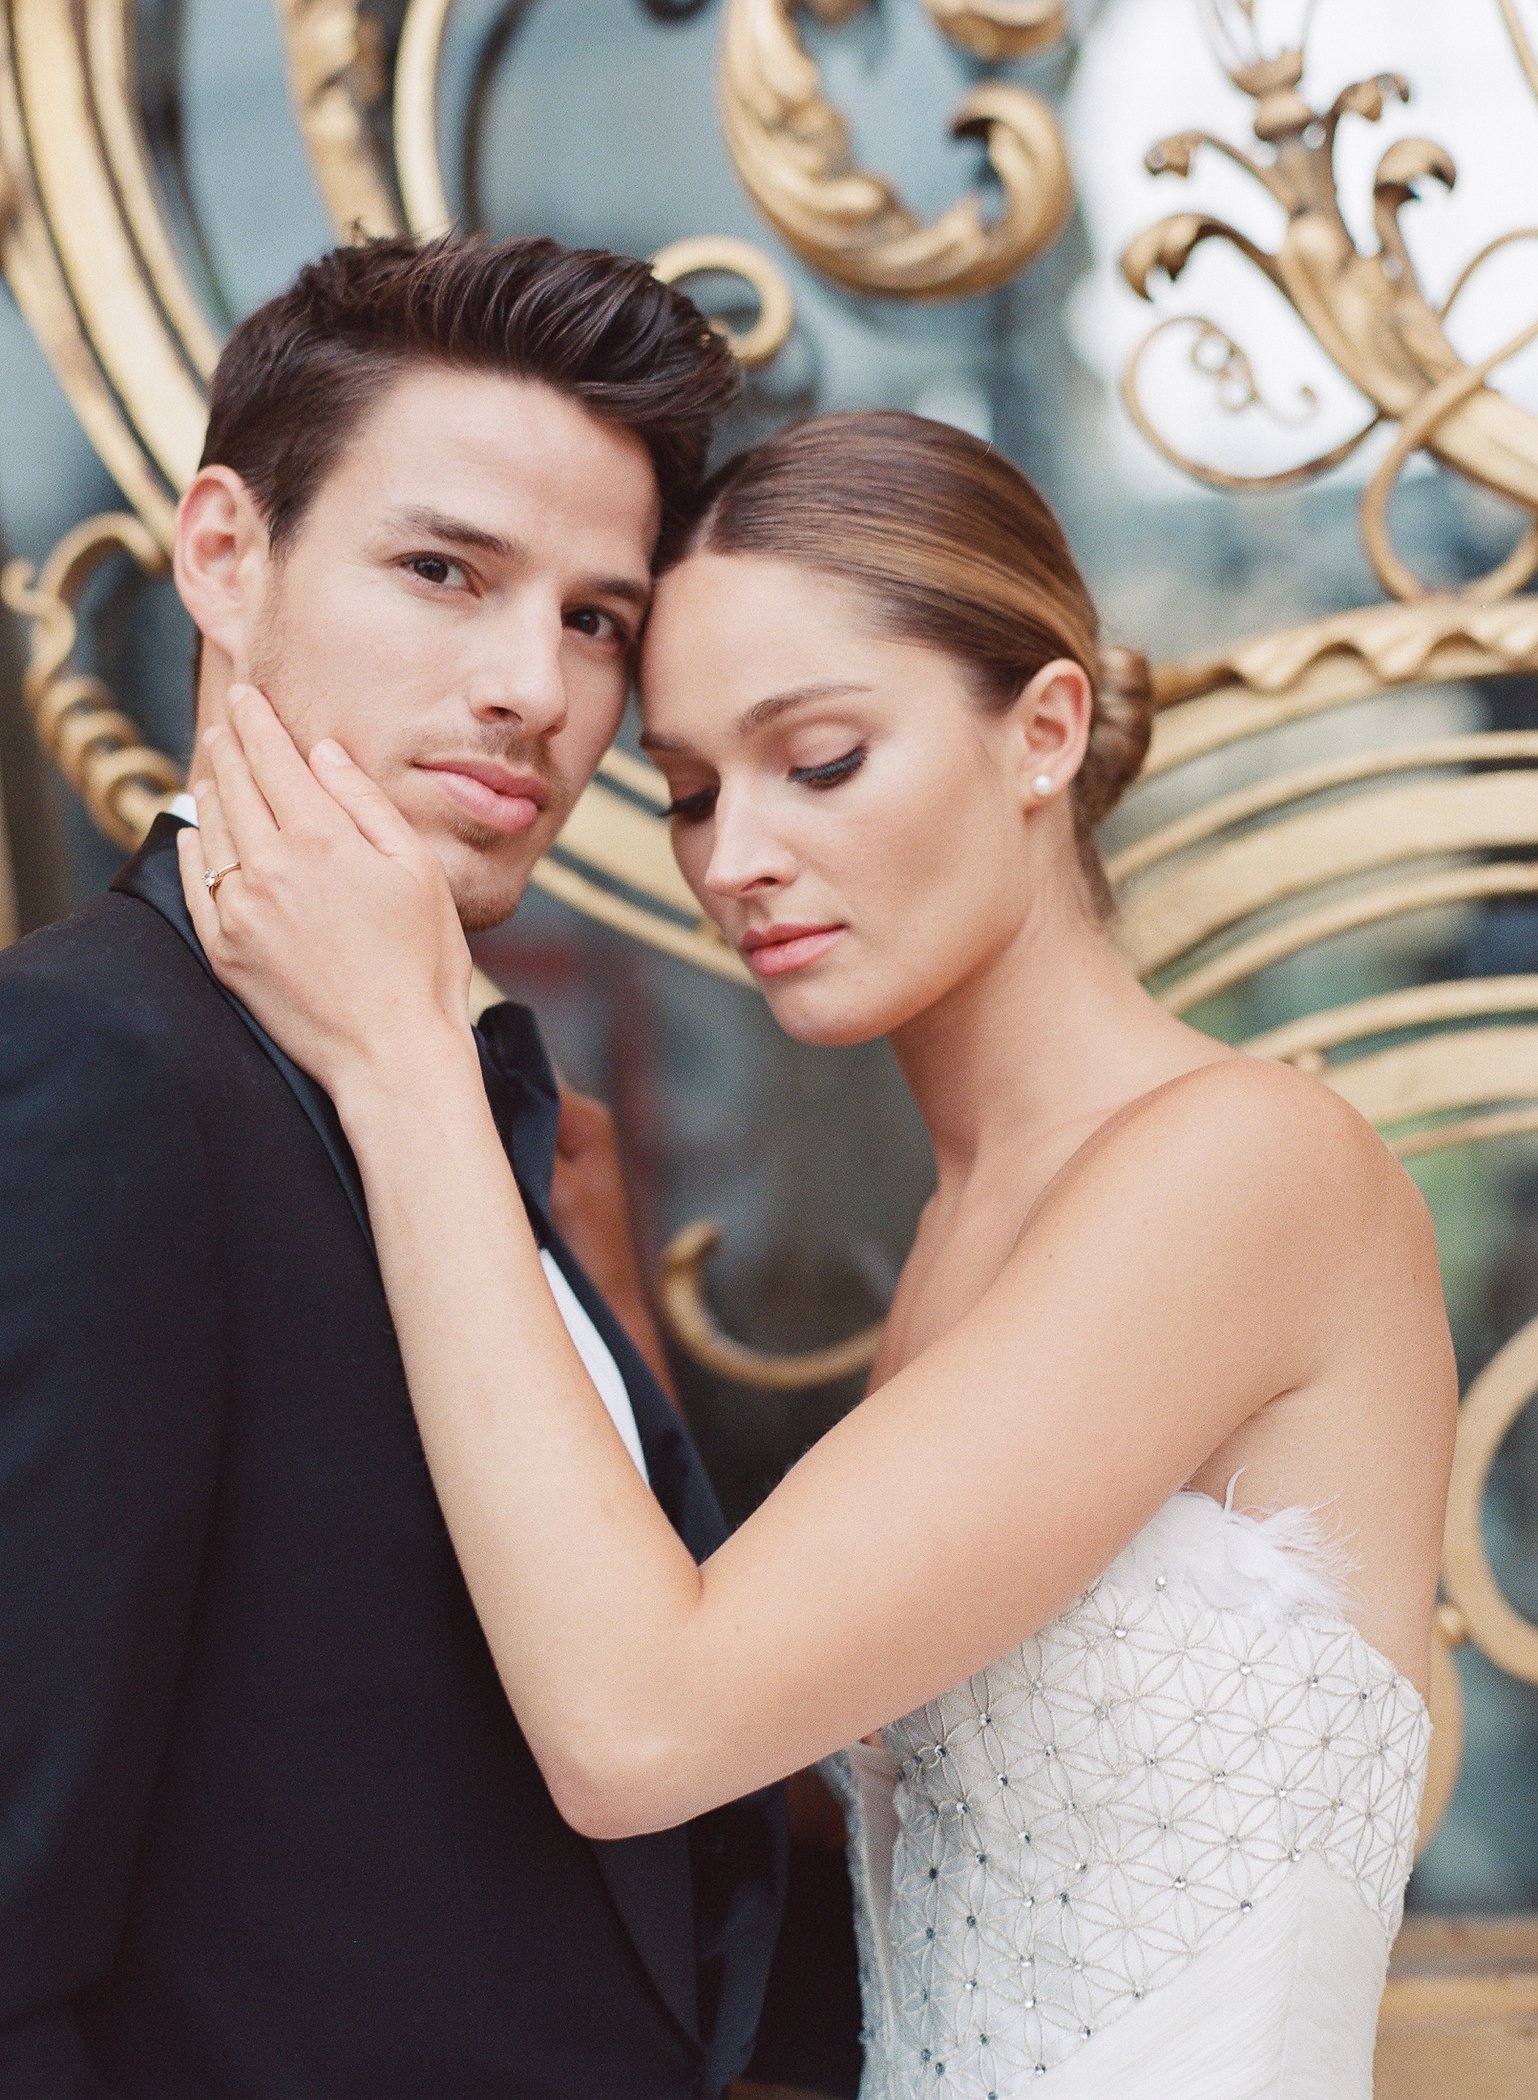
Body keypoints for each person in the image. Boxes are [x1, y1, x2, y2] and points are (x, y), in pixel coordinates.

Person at [184, 409, 1456, 2099]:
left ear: (1043, 730)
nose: (736, 860)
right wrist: (610, 1339)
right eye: (693, 792)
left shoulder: (1243, 1167)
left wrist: (398, 1050)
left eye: (824, 760)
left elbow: (642, 1728)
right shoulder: (963, 1238)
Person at [0, 233, 785, 2100]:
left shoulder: (450, 1087)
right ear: (222, 553)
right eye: (443, 572)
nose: (532, 689)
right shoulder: (83, 1070)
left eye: (597, 619)